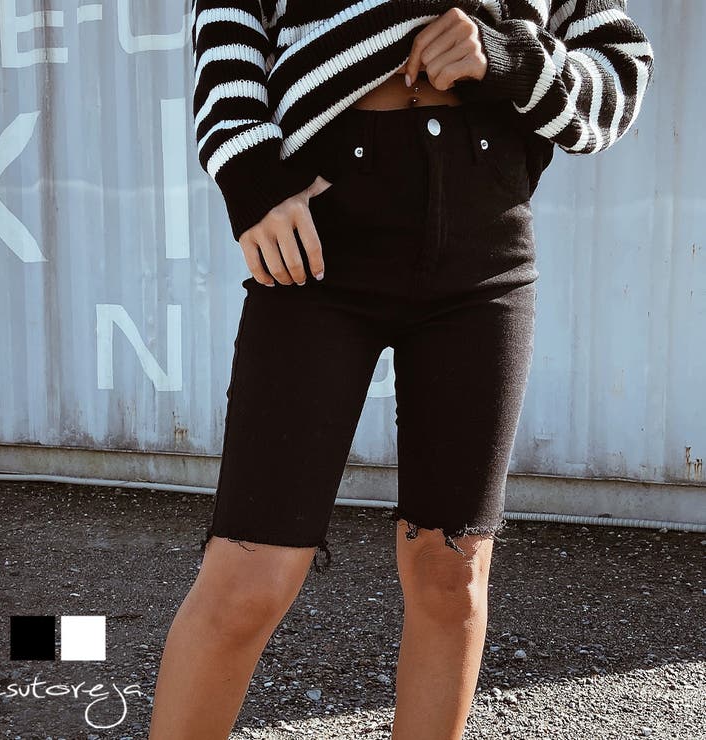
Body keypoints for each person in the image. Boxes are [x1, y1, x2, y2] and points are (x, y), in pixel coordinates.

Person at [150, 2, 654, 737]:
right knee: (247, 577)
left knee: (452, 574)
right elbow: (227, 31)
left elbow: (618, 73)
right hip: (323, 230)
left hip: (483, 236)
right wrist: (252, 178)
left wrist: (509, 59)